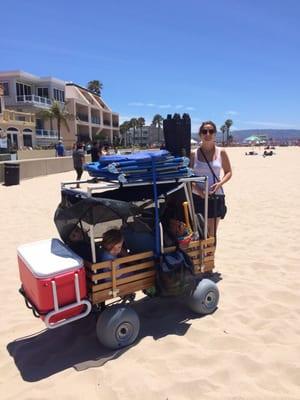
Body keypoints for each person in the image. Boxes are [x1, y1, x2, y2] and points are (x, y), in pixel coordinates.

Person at [190, 121, 232, 238]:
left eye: (211, 131)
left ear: (215, 134)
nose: (208, 134)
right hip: (197, 197)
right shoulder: (194, 154)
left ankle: (210, 256)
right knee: (198, 232)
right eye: (204, 131)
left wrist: (220, 184)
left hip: (215, 197)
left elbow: (228, 172)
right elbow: (188, 177)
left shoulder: (221, 152)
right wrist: (199, 191)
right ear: (200, 134)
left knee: (211, 233)